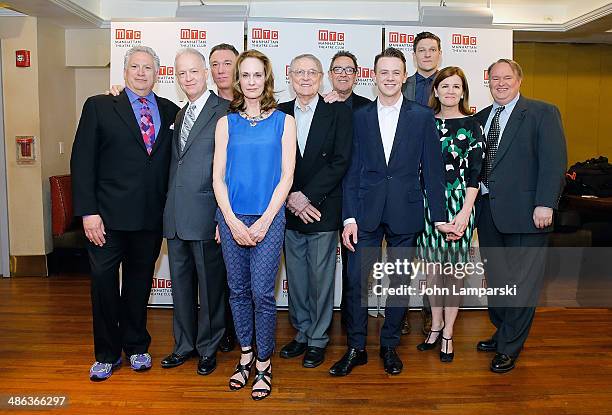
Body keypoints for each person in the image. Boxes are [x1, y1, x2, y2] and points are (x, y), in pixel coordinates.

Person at [329, 47, 450, 377]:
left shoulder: (422, 116)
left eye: (396, 72)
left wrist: (439, 215)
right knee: (355, 281)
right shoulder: (359, 116)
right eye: (384, 72)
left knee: (398, 284)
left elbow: (433, 170)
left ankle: (389, 346)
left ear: (403, 75)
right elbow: (351, 170)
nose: (390, 78)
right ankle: (356, 348)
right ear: (374, 76)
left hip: (405, 212)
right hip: (364, 214)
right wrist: (349, 217)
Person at [71, 46, 179, 381]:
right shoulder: (100, 105)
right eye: (135, 66)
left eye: (148, 67)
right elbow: (82, 161)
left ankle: (136, 346)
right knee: (103, 285)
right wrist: (88, 212)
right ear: (124, 70)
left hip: (149, 218)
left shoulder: (171, 111)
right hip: (105, 219)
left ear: (158, 73)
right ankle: (106, 353)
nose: (142, 73)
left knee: (138, 285)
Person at [212, 49, 296, 400]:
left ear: (266, 78)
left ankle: (263, 361)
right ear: (238, 80)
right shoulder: (225, 123)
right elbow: (217, 178)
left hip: (269, 217)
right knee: (238, 291)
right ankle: (245, 355)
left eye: (257, 75)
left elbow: (287, 176)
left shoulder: (284, 121)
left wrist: (264, 221)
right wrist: (230, 220)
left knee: (262, 293)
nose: (250, 81)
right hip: (232, 217)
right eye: (244, 75)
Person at [474, 59, 567, 373]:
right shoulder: (483, 117)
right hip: (487, 212)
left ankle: (510, 346)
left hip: (529, 214)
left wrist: (546, 203)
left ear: (519, 80)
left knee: (522, 284)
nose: (500, 83)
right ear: (488, 81)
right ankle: (503, 330)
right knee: (498, 281)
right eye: (495, 78)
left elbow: (554, 162)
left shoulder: (542, 112)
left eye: (506, 78)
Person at [277, 54, 352, 368]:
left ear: (321, 77)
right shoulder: (278, 113)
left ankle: (319, 338)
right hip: (287, 208)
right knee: (296, 277)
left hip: (321, 208)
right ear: (290, 77)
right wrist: (292, 198)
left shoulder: (338, 113)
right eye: (299, 73)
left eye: (311, 72)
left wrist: (306, 196)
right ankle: (303, 332)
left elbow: (340, 161)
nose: (305, 78)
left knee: (321, 278)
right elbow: (273, 163)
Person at [159, 48, 230, 375]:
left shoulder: (226, 111)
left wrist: (221, 215)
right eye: (181, 73)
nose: (188, 78)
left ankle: (207, 348)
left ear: (206, 73)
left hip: (207, 216)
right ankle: (183, 345)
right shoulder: (178, 114)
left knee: (211, 289)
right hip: (175, 217)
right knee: (182, 287)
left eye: (193, 72)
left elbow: (231, 169)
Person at [415, 66, 485, 363]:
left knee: (454, 274)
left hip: (460, 205)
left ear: (463, 91)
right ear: (435, 90)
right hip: (428, 203)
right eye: (445, 86)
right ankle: (436, 324)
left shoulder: (473, 125)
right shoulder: (423, 122)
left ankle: (448, 333)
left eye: (456, 86)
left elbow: (475, 173)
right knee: (432, 272)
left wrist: (465, 213)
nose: (450, 91)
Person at [401, 31, 443, 336]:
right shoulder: (402, 85)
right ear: (414, 55)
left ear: (439, 53)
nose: (427, 55)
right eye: (422, 50)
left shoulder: (451, 85)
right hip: (404, 182)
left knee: (434, 257)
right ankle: (399, 312)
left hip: (437, 181)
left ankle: (433, 315)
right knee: (404, 255)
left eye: (432, 50)